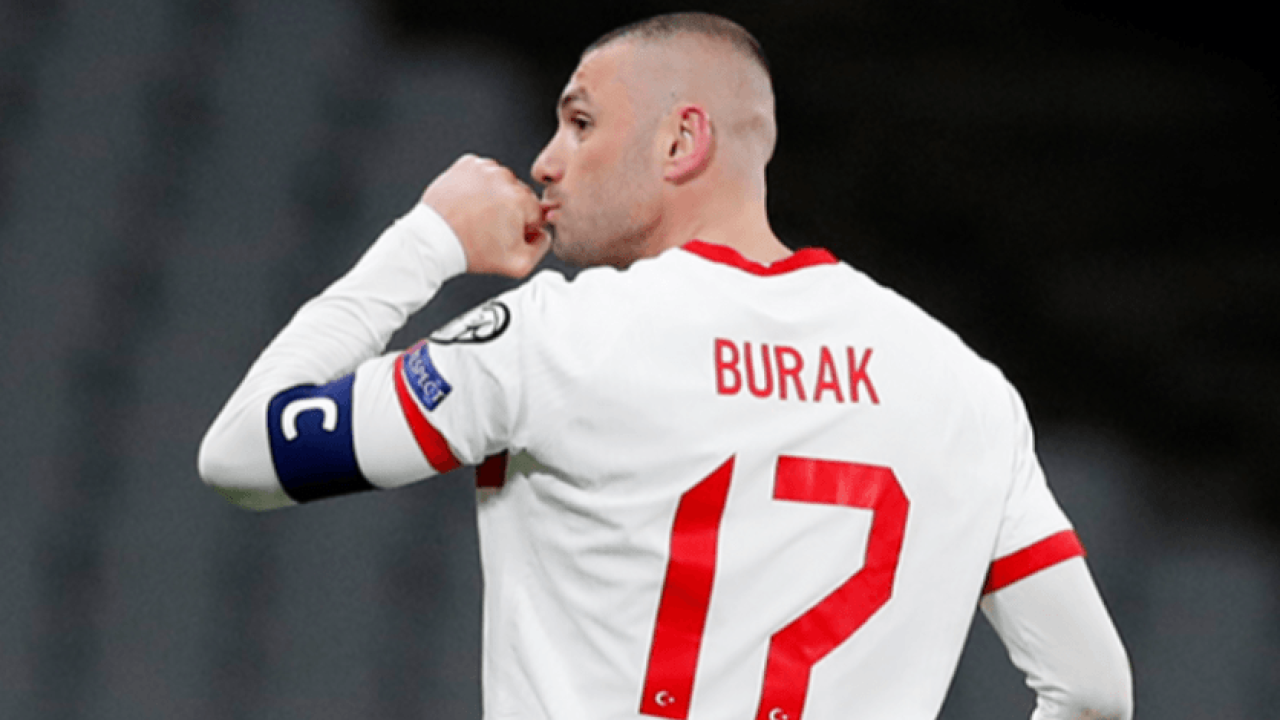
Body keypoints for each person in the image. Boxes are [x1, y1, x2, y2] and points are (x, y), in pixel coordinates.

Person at [199, 12, 1132, 720]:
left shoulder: (558, 338)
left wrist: (429, 241)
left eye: (579, 122)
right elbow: (1093, 690)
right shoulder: (964, 387)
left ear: (682, 142)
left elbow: (242, 455)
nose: (545, 162)